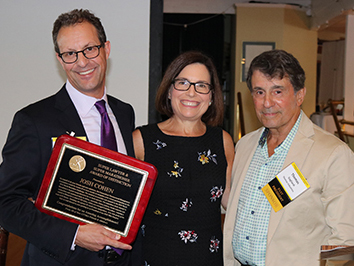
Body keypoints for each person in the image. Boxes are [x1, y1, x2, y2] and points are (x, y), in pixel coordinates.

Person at [0, 9, 140, 266]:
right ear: (60, 59)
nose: (82, 62)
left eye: (90, 49)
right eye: (70, 54)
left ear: (106, 48)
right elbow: (6, 203)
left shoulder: (124, 113)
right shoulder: (33, 120)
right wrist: (74, 235)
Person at [223, 49, 354, 266]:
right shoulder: (246, 145)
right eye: (259, 92)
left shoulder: (333, 154)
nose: (266, 103)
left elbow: (346, 241)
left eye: (277, 92)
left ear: (300, 95)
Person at [133, 51, 235, 265]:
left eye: (201, 85)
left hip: (208, 258)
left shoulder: (223, 141)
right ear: (169, 91)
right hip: (155, 258)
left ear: (212, 96)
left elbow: (232, 202)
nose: (192, 93)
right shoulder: (141, 140)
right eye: (183, 83)